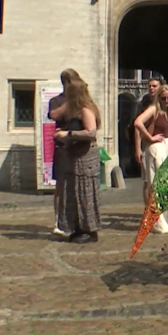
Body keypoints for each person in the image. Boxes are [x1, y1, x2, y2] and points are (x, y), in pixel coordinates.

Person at [53, 78, 103, 243]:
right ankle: (77, 227)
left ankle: (89, 230)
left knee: (85, 194)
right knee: (73, 193)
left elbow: (90, 133)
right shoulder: (74, 109)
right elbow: (53, 114)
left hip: (85, 157)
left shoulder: (86, 109)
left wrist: (68, 135)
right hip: (74, 156)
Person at [134, 84, 168, 233]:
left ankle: (165, 220)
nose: (166, 100)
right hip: (156, 147)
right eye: (163, 98)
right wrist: (150, 138)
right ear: (158, 97)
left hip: (166, 147)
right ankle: (158, 222)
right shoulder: (154, 109)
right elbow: (138, 123)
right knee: (157, 185)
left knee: (165, 185)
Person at [48, 69, 82, 235]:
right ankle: (58, 220)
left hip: (78, 146)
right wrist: (70, 104)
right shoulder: (57, 100)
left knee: (77, 185)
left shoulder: (82, 102)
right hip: (62, 147)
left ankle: (76, 220)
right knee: (61, 184)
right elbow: (53, 115)